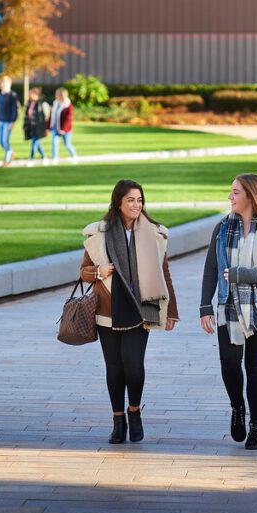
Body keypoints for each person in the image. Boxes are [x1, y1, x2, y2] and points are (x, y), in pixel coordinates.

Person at [80, 179, 178, 444]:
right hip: (107, 311)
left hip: (140, 309)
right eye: (131, 200)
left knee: (133, 367)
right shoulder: (99, 235)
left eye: (140, 200)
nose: (137, 205)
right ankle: (118, 419)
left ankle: (134, 411)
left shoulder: (154, 234)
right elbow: (83, 272)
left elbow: (164, 272)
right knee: (114, 369)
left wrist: (172, 312)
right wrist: (99, 272)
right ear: (118, 203)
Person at [200, 173, 257, 451]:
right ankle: (237, 407)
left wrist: (241, 274)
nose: (230, 196)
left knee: (255, 367)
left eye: (235, 192)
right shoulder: (222, 228)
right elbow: (212, 269)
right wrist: (205, 305)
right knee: (229, 365)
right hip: (227, 306)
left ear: (250, 196)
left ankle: (256, 427)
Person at [0, 76, 19, 167]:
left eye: (5, 83)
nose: (3, 85)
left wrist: (13, 122)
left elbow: (15, 109)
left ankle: (7, 161)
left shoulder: (13, 95)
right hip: (0, 121)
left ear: (10, 84)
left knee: (5, 141)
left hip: (8, 122)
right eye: (2, 83)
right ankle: (10, 151)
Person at [50, 86, 78, 163]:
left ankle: (74, 156)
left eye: (57, 94)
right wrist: (49, 126)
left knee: (67, 144)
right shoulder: (55, 103)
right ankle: (54, 158)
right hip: (56, 128)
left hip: (66, 129)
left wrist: (63, 129)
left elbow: (68, 119)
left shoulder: (68, 105)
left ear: (61, 95)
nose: (56, 95)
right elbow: (52, 115)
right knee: (54, 143)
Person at [23, 87, 50, 164]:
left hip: (39, 127)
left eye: (30, 94)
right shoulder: (30, 103)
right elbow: (27, 115)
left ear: (35, 94)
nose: (29, 95)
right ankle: (44, 157)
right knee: (36, 143)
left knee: (35, 142)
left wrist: (46, 127)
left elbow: (46, 116)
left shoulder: (41, 103)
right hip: (32, 127)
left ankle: (31, 159)